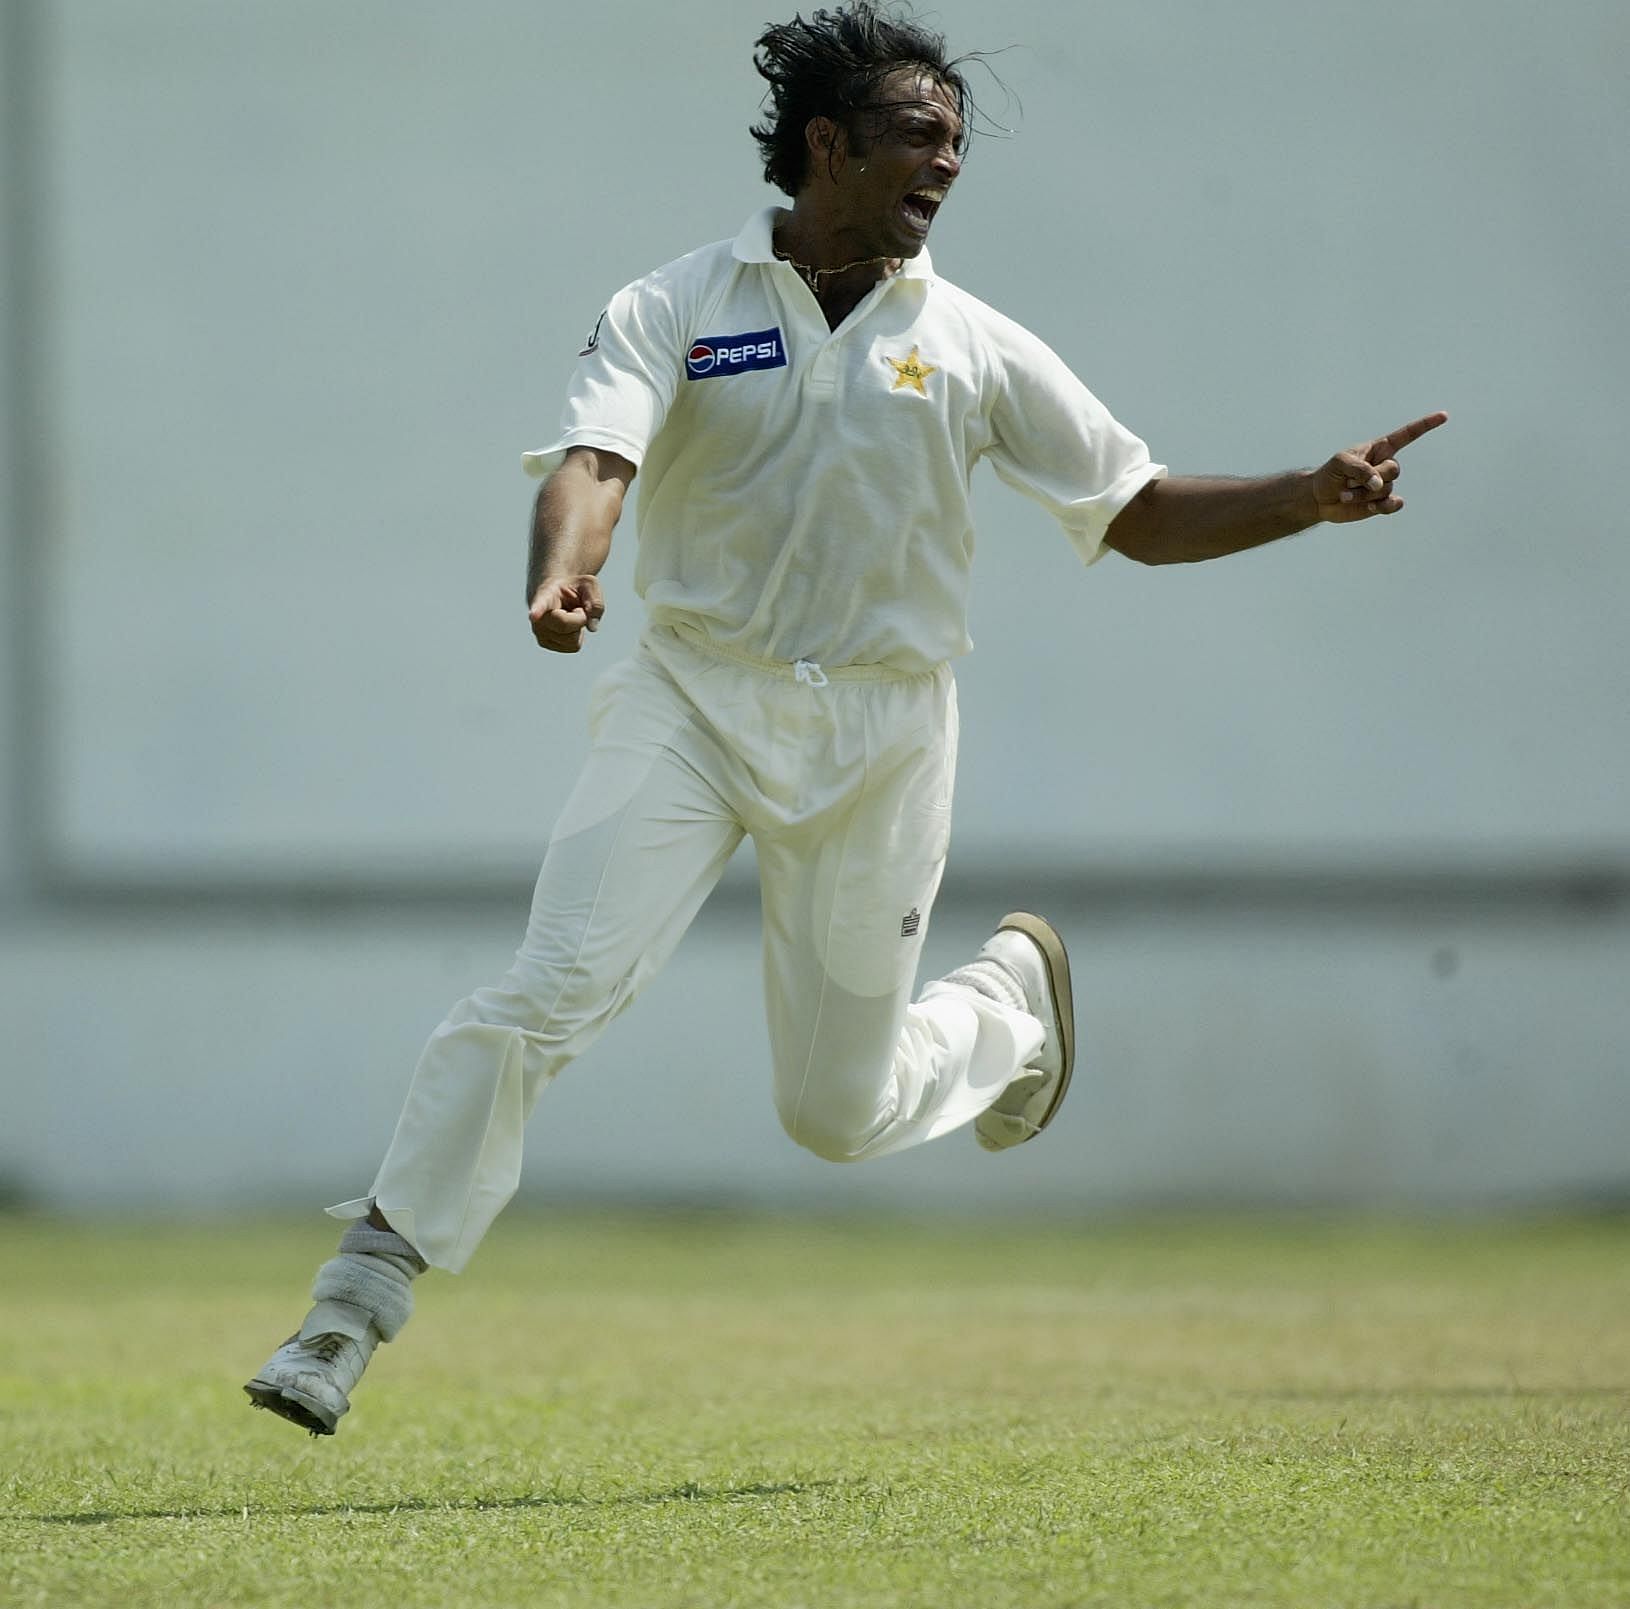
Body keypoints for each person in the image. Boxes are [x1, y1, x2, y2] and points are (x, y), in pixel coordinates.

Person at [246, 2, 1446, 1437]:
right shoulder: (676, 302)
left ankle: (1002, 1011)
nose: (945, 165)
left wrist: (1303, 498)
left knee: (834, 1115)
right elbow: (591, 457)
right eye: (916, 138)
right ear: (827, 144)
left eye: (956, 143)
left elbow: (1131, 511)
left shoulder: (976, 344)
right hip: (689, 700)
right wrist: (566, 571)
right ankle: (349, 1308)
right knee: (547, 988)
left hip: (882, 736)